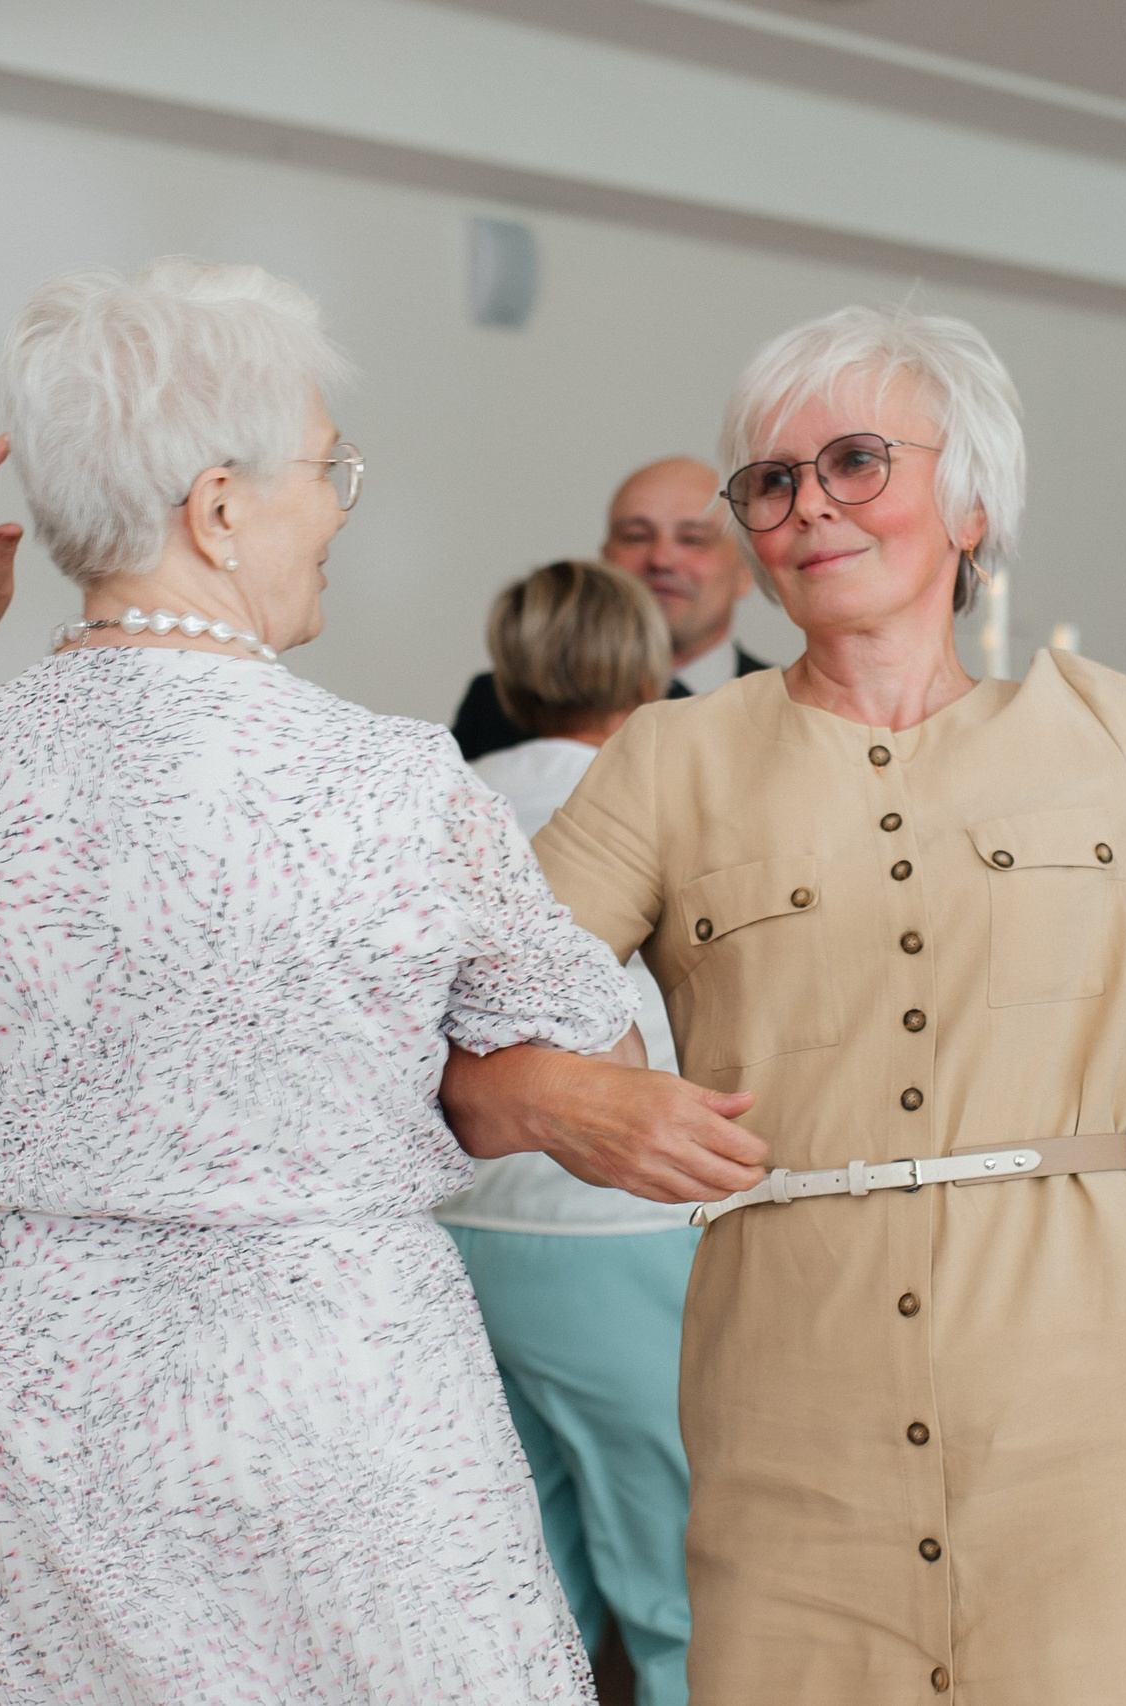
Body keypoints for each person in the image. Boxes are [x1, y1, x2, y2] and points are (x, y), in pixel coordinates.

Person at [440, 237, 1126, 1703]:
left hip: (1095, 1414)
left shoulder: (1108, 735)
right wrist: (568, 1097)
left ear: (972, 501)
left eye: (856, 459)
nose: (810, 506)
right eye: (772, 482)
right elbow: (454, 1048)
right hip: (795, 1422)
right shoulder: (671, 760)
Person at [0, 260, 762, 1705]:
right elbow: (592, 1042)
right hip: (336, 1392)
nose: (336, 504)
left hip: (43, 1401)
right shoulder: (389, 781)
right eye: (329, 470)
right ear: (216, 507)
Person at [435, 559, 700, 1706]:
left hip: (462, 1235)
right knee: (682, 1582)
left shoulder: (448, 798)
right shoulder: (664, 800)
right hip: (613, 1234)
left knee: (523, 1588)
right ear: (651, 669)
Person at [452, 458, 771, 762]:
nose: (661, 559)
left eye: (692, 539)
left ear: (747, 568)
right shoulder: (499, 702)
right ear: (605, 560)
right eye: (636, 536)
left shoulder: (787, 705)